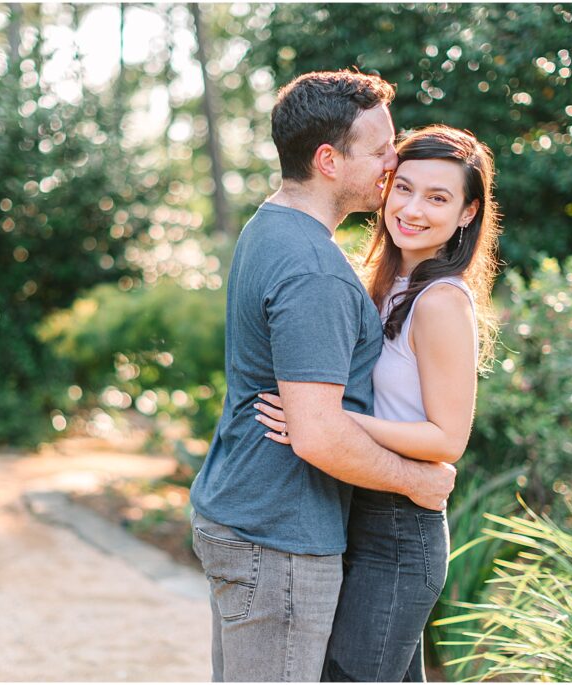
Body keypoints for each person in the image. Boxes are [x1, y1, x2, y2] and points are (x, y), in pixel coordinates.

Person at [188, 72, 459, 682]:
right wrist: (419, 481)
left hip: (248, 515)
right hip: (279, 536)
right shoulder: (315, 270)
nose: (395, 159)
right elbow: (317, 436)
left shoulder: (269, 228)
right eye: (382, 149)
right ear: (328, 160)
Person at [254, 125, 501, 681]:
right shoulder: (379, 282)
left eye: (438, 198)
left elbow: (447, 439)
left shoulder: (441, 301)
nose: (412, 209)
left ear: (467, 213)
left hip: (399, 531)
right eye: (404, 188)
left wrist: (332, 423)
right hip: (356, 511)